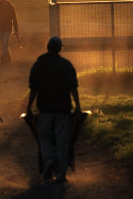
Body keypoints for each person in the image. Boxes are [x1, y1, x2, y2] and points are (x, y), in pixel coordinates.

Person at [26, 36, 81, 183]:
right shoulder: (66, 65)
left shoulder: (39, 64)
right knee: (63, 140)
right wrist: (78, 106)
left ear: (47, 47)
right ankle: (61, 172)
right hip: (63, 109)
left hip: (44, 109)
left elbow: (33, 89)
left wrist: (29, 107)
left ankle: (49, 159)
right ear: (60, 48)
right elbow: (73, 88)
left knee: (45, 138)